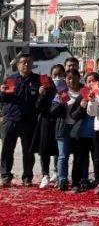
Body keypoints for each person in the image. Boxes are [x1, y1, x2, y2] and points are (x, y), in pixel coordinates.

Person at [1, 54, 46, 187]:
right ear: (18, 65)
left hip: (29, 121)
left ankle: (27, 177)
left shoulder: (38, 80)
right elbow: (3, 99)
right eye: (23, 62)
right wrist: (2, 92)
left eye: (29, 62)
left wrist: (42, 94)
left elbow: (42, 102)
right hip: (11, 119)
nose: (26, 64)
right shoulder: (10, 79)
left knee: (28, 151)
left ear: (32, 64)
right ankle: (5, 176)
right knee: (7, 150)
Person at [33, 67, 60, 187]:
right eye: (55, 75)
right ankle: (45, 174)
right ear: (51, 76)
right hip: (45, 121)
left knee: (58, 149)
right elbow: (38, 107)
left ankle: (57, 172)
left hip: (60, 121)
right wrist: (41, 95)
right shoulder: (46, 88)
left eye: (60, 74)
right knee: (44, 149)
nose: (57, 77)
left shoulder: (66, 88)